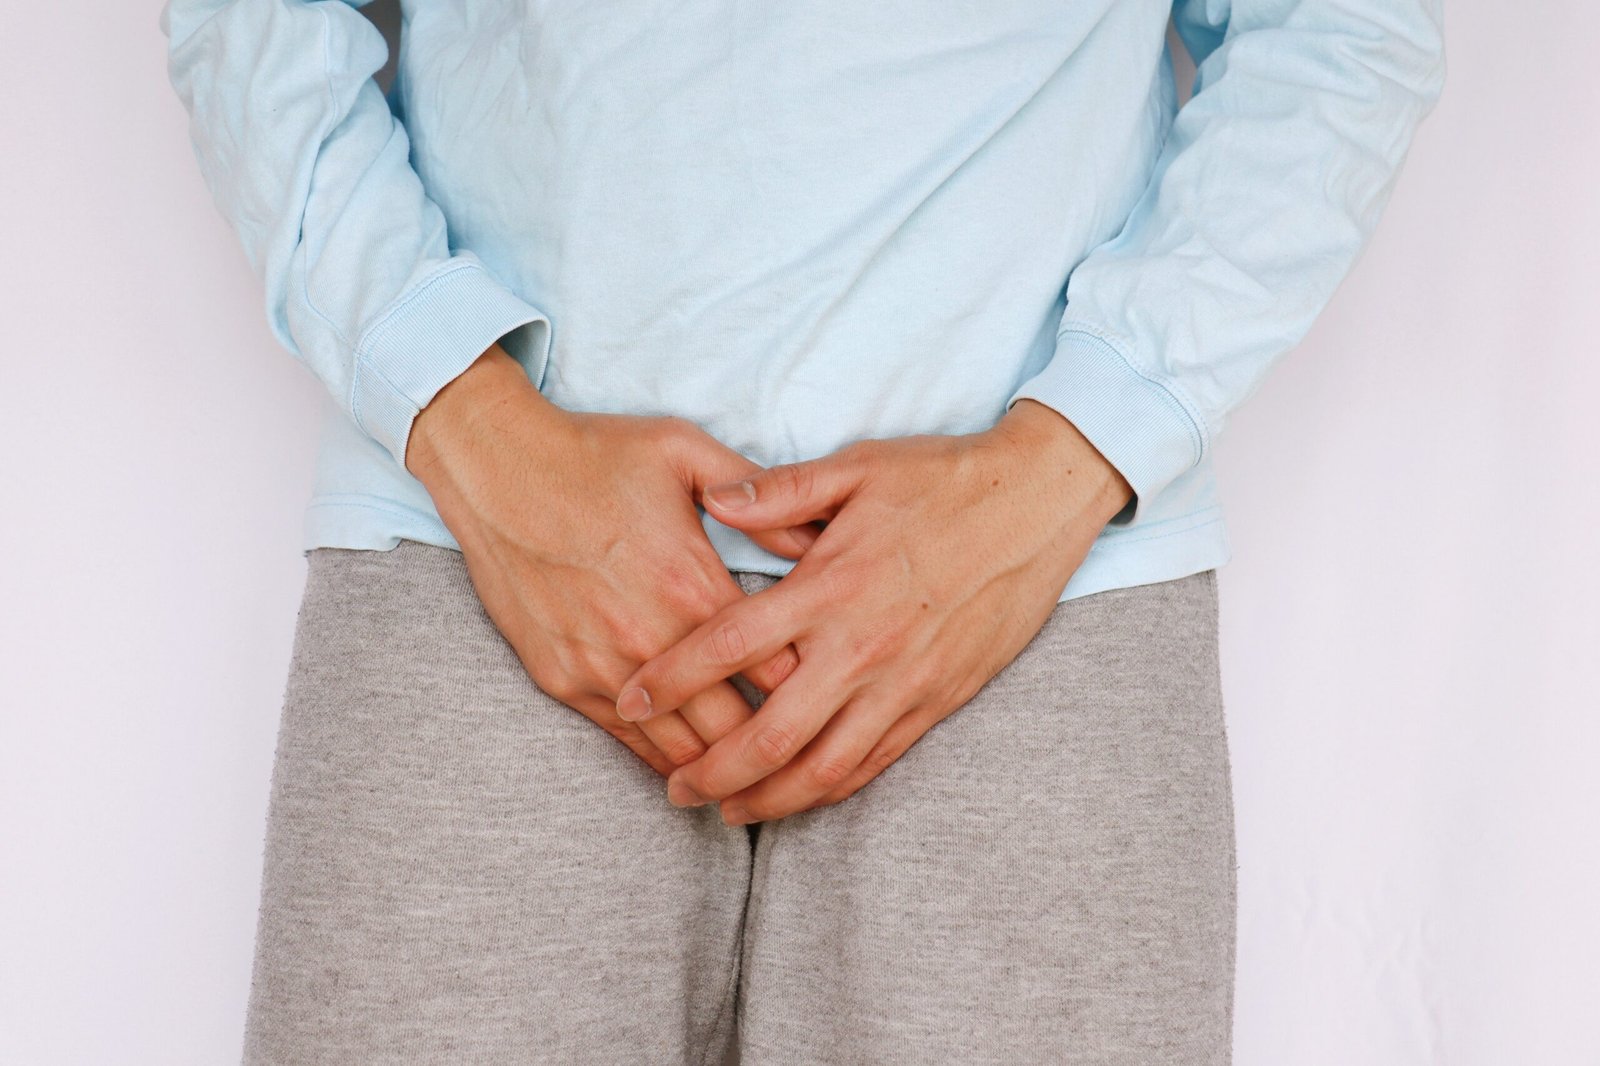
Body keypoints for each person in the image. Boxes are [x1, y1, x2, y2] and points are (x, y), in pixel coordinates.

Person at [161, 0, 1445, 1062]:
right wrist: (467, 419)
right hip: (485, 556)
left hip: (1035, 592)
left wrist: (1072, 455)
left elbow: (1340, 25)